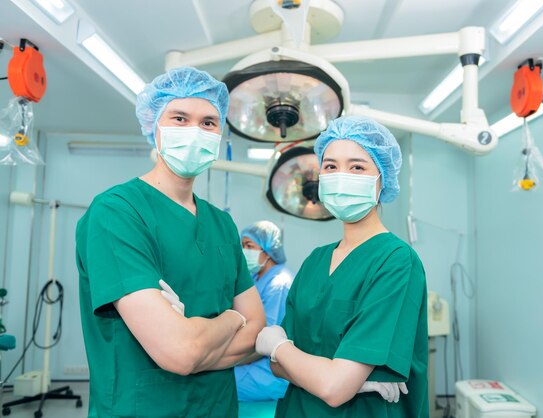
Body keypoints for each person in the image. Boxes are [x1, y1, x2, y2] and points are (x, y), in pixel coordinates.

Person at [76, 67, 265, 418]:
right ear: (154, 126)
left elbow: (257, 331)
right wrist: (232, 318)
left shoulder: (221, 223)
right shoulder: (117, 212)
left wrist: (195, 343)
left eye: (208, 122)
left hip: (219, 408)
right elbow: (180, 352)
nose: (195, 131)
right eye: (180, 118)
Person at [255, 115, 429, 417]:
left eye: (357, 167)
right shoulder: (315, 261)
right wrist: (334, 376)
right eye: (331, 166)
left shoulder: (396, 261)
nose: (340, 175)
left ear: (382, 178)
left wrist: (282, 348)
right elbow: (276, 368)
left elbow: (333, 388)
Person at [235, 221, 293, 403]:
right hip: (250, 358)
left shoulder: (279, 284)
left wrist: (227, 360)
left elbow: (264, 341)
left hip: (268, 371)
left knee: (217, 383)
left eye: (249, 246)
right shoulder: (255, 277)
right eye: (242, 246)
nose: (244, 251)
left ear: (268, 249)